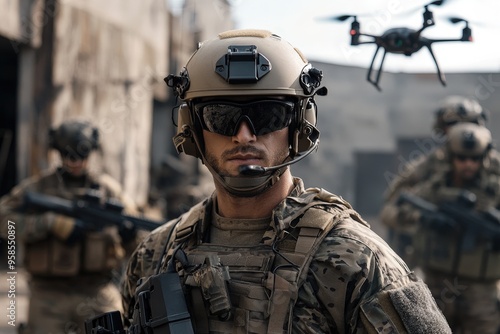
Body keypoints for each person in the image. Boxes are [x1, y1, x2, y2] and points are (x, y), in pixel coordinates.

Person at [120, 29, 451, 333]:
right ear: (191, 130)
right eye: (220, 116)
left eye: (267, 115)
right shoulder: (155, 252)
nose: (243, 136)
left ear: (300, 126)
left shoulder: (358, 259)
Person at [0, 120, 139, 334]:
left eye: (81, 156)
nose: (75, 162)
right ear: (58, 153)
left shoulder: (107, 190)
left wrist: (130, 235)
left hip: (97, 291)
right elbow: (4, 219)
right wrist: (49, 223)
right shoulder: (38, 187)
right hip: (48, 294)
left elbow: (142, 241)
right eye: (68, 155)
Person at [382, 123, 500, 333]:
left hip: (482, 289)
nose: (468, 165)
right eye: (461, 158)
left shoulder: (495, 186)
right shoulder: (434, 184)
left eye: (474, 159)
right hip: (437, 282)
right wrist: (423, 219)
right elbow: (392, 210)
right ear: (451, 156)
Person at [380, 95, 500, 267]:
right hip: (434, 270)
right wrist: (422, 218)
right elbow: (390, 210)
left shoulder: (495, 167)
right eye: (453, 127)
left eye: (469, 126)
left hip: (483, 278)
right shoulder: (428, 166)